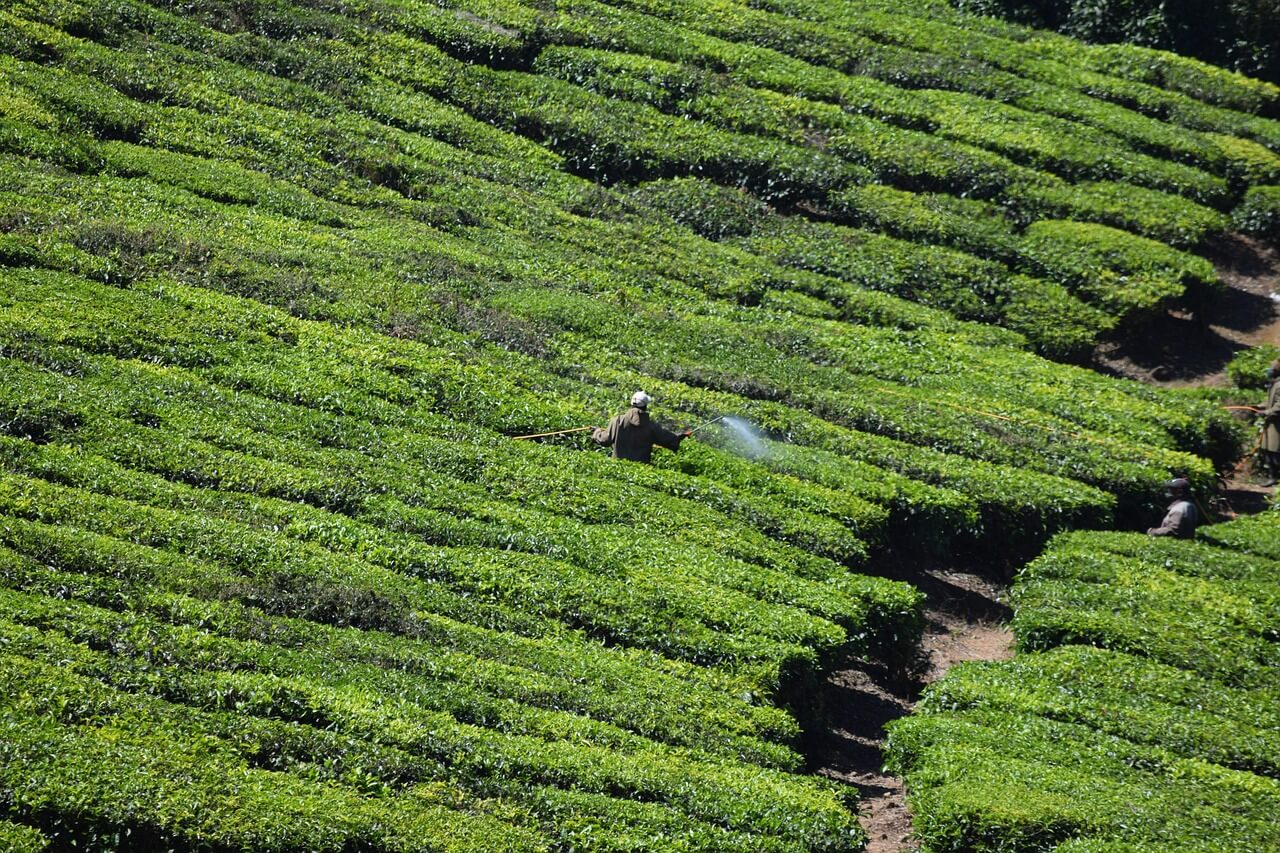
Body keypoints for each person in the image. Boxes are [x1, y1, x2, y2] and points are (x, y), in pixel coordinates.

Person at [592, 391, 690, 463]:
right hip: (641, 468)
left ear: (631, 404)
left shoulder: (618, 421)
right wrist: (680, 437)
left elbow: (605, 439)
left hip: (618, 465)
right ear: (645, 406)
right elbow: (668, 439)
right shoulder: (651, 427)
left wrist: (597, 431)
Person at [1261, 359, 1280, 487]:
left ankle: (1274, 477)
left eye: (1271, 369)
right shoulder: (1274, 384)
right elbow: (1269, 402)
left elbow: (1279, 406)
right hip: (1271, 425)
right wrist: (1259, 406)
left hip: (1277, 425)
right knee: (1268, 450)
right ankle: (1272, 477)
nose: (1269, 371)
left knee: (1275, 452)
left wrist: (1267, 412)